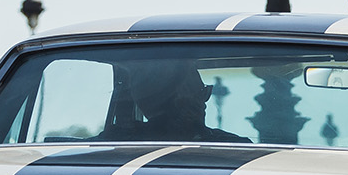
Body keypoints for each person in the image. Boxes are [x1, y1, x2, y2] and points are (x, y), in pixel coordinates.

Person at [107, 60, 250, 143]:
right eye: (201, 93)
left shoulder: (112, 144)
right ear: (177, 100)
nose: (204, 102)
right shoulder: (238, 150)